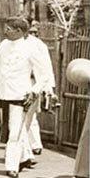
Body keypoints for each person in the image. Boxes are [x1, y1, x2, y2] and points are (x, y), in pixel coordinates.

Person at [0, 16, 49, 178]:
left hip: (21, 95)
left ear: (19, 31)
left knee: (15, 131)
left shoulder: (30, 48)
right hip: (3, 94)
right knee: (15, 129)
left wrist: (34, 91)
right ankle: (24, 157)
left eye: (8, 29)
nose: (4, 31)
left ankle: (12, 166)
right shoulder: (3, 46)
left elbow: (43, 75)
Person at [24, 21, 56, 158]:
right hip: (19, 83)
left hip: (34, 83)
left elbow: (46, 68)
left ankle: (32, 146)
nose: (32, 34)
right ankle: (34, 145)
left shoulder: (39, 45)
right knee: (26, 116)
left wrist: (49, 89)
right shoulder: (13, 43)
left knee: (29, 115)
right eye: (30, 31)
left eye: (34, 32)